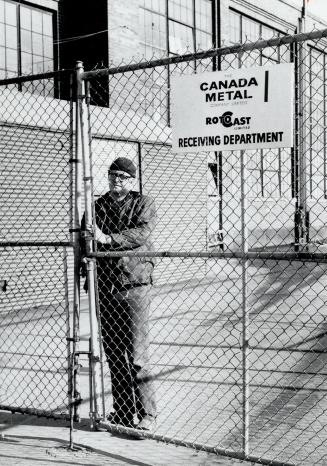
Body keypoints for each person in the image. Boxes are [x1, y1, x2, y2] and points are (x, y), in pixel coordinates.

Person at [83, 157, 157, 431]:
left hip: (135, 285)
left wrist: (107, 239)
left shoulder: (143, 203)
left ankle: (148, 415)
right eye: (113, 175)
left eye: (123, 177)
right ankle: (124, 413)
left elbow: (141, 232)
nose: (117, 181)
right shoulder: (98, 206)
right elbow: (84, 235)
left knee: (137, 356)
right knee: (114, 354)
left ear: (132, 181)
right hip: (105, 286)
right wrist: (84, 256)